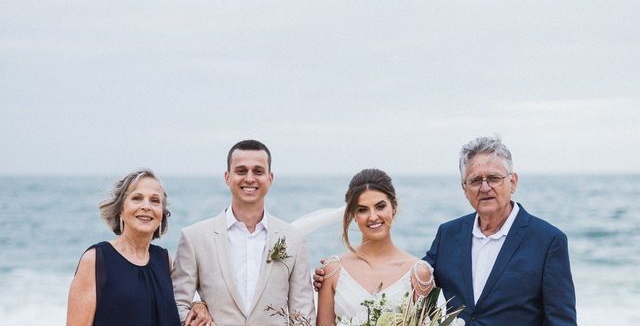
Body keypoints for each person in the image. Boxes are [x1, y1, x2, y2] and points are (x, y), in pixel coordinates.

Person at [424, 136, 577, 325]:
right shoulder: (447, 234)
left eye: (494, 178)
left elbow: (561, 321)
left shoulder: (549, 241)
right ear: (464, 189)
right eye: (475, 180)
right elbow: (418, 277)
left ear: (513, 182)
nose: (485, 187)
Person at [172, 139, 315, 326]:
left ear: (270, 178)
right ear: (227, 177)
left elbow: (302, 313)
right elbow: (177, 303)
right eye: (241, 171)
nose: (249, 178)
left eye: (258, 171)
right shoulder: (194, 237)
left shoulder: (294, 239)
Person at [67, 169, 206, 326]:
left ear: (161, 213)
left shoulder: (164, 260)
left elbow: (179, 305)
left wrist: (199, 306)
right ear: (121, 210)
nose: (146, 206)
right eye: (137, 198)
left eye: (154, 200)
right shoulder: (95, 260)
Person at [316, 168, 434, 326]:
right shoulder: (332, 271)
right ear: (354, 216)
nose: (373, 217)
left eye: (380, 206)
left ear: (393, 207)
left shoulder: (418, 273)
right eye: (362, 210)